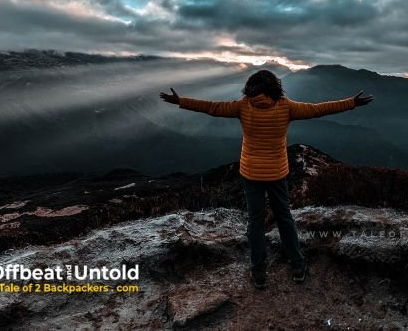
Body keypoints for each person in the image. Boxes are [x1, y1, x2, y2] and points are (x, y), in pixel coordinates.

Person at [160, 69, 373, 289]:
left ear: (251, 88)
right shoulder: (285, 106)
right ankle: (297, 266)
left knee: (256, 221)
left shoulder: (243, 106)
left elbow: (212, 108)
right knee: (284, 218)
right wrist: (351, 103)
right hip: (276, 174)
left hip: (251, 174)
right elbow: (317, 110)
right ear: (275, 87)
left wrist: (180, 101)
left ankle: (259, 272)